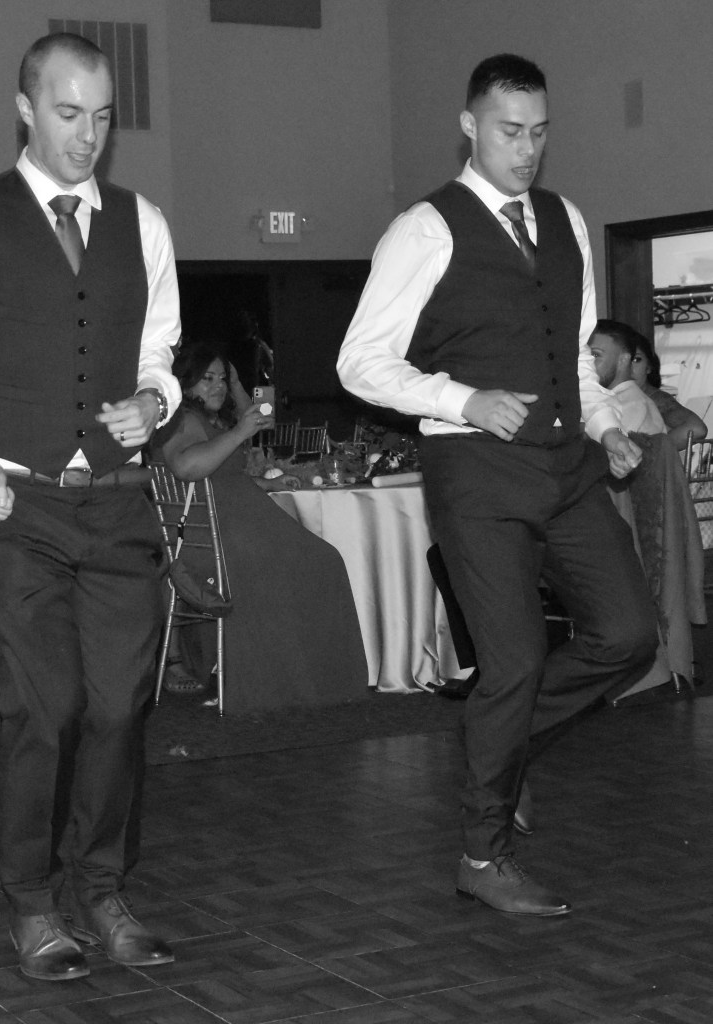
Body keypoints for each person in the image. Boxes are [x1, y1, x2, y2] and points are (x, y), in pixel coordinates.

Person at [337, 53, 658, 917]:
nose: (526, 150)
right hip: (475, 472)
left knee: (628, 634)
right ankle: (481, 856)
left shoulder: (564, 219)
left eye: (539, 132)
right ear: (469, 127)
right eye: (510, 132)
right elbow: (358, 361)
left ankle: (502, 743)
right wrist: (462, 399)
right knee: (511, 662)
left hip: (564, 467)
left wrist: (606, 426)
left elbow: (578, 357)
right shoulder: (424, 229)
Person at [0, 32, 182, 982]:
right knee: (46, 708)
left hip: (119, 506)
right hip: (16, 506)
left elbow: (160, 356)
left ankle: (101, 889)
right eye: (67, 114)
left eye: (102, 117)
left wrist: (154, 402)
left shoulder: (143, 224)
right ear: (25, 108)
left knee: (119, 709)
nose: (86, 136)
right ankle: (30, 900)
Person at [155, 343, 368, 712]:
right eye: (207, 379)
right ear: (185, 384)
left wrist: (269, 482)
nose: (218, 386)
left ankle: (297, 672)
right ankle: (294, 675)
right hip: (217, 540)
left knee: (322, 559)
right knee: (321, 563)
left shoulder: (208, 421)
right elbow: (187, 468)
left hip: (237, 528)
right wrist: (240, 432)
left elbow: (226, 470)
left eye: (222, 379)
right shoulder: (184, 419)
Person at [629, 327, 708, 449]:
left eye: (636, 360)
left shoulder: (655, 399)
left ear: (649, 366)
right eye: (620, 360)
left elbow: (696, 429)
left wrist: (647, 453)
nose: (627, 367)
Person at [589, 320, 667, 435]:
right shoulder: (620, 400)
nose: (586, 362)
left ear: (623, 360)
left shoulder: (628, 405)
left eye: (596, 355)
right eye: (583, 354)